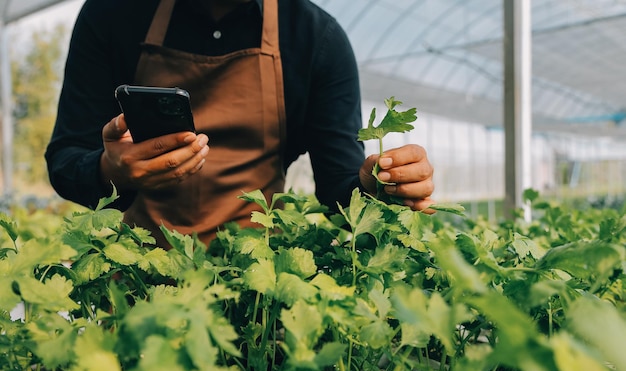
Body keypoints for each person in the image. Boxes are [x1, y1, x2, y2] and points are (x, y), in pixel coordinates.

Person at [45, 0, 435, 248]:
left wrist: (376, 184)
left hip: (254, 287)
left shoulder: (316, 38)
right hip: (138, 272)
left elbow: (338, 192)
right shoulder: (112, 14)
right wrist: (111, 170)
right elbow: (66, 158)